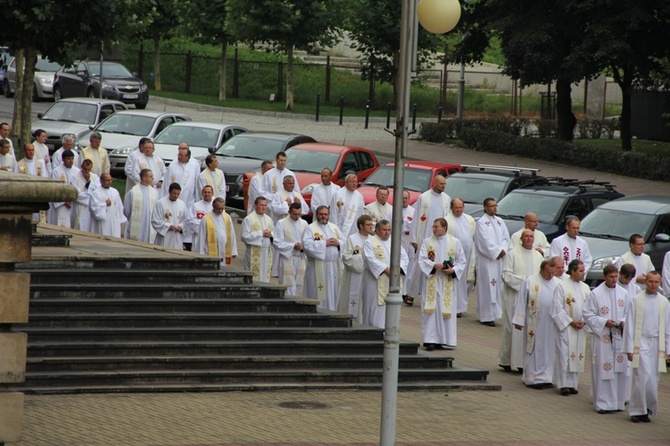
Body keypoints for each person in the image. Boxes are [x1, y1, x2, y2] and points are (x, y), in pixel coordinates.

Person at [583, 264, 630, 413]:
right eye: (611, 277)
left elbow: (629, 313)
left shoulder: (624, 293)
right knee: (604, 369)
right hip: (603, 337)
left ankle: (617, 402)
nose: (614, 280)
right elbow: (587, 314)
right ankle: (603, 403)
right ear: (604, 276)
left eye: (616, 276)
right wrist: (604, 322)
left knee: (619, 370)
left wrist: (623, 321)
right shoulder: (596, 294)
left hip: (619, 337)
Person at [624, 271, 670, 423]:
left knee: (653, 378)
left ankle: (648, 407)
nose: (653, 285)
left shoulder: (664, 302)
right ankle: (637, 410)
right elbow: (630, 325)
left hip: (657, 343)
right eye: (650, 281)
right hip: (640, 342)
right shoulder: (636, 300)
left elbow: (668, 328)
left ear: (660, 283)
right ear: (645, 282)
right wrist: (629, 348)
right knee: (641, 377)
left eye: (656, 282)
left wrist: (668, 350)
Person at [498, 229, 543, 373]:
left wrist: (533, 287)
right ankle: (506, 360)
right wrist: (525, 283)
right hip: (514, 296)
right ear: (521, 239)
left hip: (532, 298)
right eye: (526, 236)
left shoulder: (538, 257)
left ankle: (523, 362)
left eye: (531, 236)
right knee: (512, 328)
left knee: (528, 329)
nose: (529, 239)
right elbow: (505, 275)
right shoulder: (512, 254)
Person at [418, 218, 466, 349]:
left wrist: (453, 270)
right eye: (433, 227)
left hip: (447, 281)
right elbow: (422, 259)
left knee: (445, 309)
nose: (433, 229)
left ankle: (444, 339)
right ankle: (429, 339)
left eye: (436, 227)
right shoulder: (427, 242)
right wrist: (434, 265)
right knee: (431, 310)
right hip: (432, 280)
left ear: (444, 228)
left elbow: (462, 261)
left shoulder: (455, 242)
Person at [513, 259, 560, 388]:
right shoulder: (530, 281)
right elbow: (521, 301)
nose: (550, 275)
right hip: (534, 322)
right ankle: (532, 377)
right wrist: (519, 319)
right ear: (541, 270)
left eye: (553, 273)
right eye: (548, 273)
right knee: (534, 349)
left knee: (550, 350)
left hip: (551, 323)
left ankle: (548, 377)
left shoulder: (558, 284)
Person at [406, 175, 451, 307]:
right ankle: (411, 293)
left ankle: (436, 294)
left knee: (437, 262)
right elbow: (416, 218)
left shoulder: (446, 199)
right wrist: (414, 238)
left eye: (444, 184)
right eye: (441, 183)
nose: (443, 186)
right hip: (424, 235)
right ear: (434, 183)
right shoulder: (423, 197)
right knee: (419, 264)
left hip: (440, 235)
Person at [552, 259, 590, 396]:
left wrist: (585, 321)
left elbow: (590, 308)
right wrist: (570, 321)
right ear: (573, 271)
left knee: (577, 355)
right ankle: (563, 384)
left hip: (580, 328)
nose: (583, 273)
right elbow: (556, 309)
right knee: (564, 354)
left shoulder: (585, 288)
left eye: (583, 270)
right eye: (580, 271)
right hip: (567, 328)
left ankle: (573, 383)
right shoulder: (562, 287)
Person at [361, 219, 408, 329]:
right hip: (375, 282)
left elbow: (404, 257)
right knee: (374, 308)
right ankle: (374, 332)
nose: (387, 232)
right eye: (384, 230)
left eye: (389, 230)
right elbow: (369, 259)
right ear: (377, 230)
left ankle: (389, 332)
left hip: (392, 280)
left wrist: (398, 270)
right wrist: (385, 270)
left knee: (390, 308)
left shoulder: (394, 243)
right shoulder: (369, 242)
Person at [475, 198, 510, 327]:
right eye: (491, 206)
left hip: (499, 260)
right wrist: (495, 251)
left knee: (497, 287)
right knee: (487, 287)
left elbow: (506, 237)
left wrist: (503, 250)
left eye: (496, 205)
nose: (495, 208)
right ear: (485, 207)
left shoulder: (500, 221)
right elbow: (483, 241)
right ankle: (485, 315)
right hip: (487, 260)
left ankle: (495, 314)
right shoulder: (481, 223)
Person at [303, 205, 344, 311]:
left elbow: (345, 241)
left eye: (325, 214)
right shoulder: (310, 228)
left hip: (333, 266)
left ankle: (332, 312)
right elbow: (306, 246)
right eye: (321, 214)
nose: (323, 216)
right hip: (318, 267)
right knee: (318, 292)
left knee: (332, 291)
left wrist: (338, 242)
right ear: (317, 215)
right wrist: (324, 243)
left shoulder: (334, 227)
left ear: (329, 215)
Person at [338, 215, 375, 323]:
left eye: (371, 224)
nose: (371, 227)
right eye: (368, 225)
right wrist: (364, 259)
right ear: (361, 226)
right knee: (353, 301)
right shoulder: (352, 239)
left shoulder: (373, 240)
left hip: (368, 276)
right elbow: (346, 257)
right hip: (354, 276)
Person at [163, 144, 200, 249]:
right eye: (178, 154)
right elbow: (166, 183)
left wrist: (197, 201)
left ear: (188, 156)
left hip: (189, 199)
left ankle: (187, 243)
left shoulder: (194, 165)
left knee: (187, 220)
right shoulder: (172, 165)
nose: (179, 157)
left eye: (182, 155)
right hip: (174, 198)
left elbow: (196, 183)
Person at [446, 197, 476, 316]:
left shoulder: (469, 219)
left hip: (468, 254)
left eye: (460, 207)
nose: (459, 210)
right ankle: (454, 306)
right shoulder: (447, 220)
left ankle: (461, 306)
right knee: (455, 279)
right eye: (456, 207)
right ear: (451, 208)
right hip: (454, 255)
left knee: (464, 280)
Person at [273, 202, 308, 296]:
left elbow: (308, 241)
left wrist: (302, 247)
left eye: (299, 214)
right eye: (295, 214)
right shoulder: (281, 223)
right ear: (289, 212)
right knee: (287, 286)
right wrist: (293, 246)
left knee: (298, 285)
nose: (297, 217)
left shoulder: (304, 223)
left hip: (300, 258)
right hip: (287, 258)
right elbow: (277, 242)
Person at [194, 197, 237, 265]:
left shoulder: (227, 217)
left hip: (224, 249)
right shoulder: (206, 218)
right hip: (210, 250)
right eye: (218, 208)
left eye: (222, 208)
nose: (220, 210)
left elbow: (232, 234)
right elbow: (202, 237)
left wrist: (233, 251)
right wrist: (201, 254)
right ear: (213, 207)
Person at [241, 197, 274, 282]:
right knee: (253, 278)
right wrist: (261, 233)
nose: (264, 207)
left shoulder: (269, 219)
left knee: (264, 277)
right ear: (255, 206)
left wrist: (271, 234)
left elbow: (274, 233)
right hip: (254, 252)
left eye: (265, 205)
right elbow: (244, 236)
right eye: (261, 205)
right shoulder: (248, 219)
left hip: (266, 253)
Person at [124, 168, 158, 243]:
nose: (153, 178)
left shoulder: (154, 192)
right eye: (150, 176)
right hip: (137, 222)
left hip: (149, 223)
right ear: (144, 178)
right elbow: (127, 210)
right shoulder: (133, 192)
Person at [48, 150, 80, 227]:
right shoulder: (56, 171)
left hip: (74, 203)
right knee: (62, 224)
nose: (71, 161)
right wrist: (64, 201)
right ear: (63, 159)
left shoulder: (77, 171)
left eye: (72, 158)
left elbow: (79, 187)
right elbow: (55, 188)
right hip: (62, 203)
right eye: (68, 159)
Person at [151, 182, 188, 249]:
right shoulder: (160, 203)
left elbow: (187, 220)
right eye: (174, 193)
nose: (176, 195)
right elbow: (155, 220)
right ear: (169, 191)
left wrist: (181, 227)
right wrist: (167, 226)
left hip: (177, 237)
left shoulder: (182, 204)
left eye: (178, 194)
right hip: (164, 237)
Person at [89, 173, 126, 237]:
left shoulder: (115, 191)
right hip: (104, 222)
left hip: (114, 220)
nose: (109, 182)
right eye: (107, 180)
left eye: (110, 180)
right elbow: (93, 208)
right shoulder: (96, 193)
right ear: (101, 181)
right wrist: (104, 204)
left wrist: (120, 219)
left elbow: (119, 206)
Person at [72, 159, 101, 232]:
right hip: (79, 206)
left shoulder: (95, 177)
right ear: (81, 166)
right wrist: (90, 196)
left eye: (89, 169)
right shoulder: (74, 177)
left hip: (90, 207)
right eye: (85, 169)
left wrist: (89, 181)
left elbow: (98, 192)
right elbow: (77, 194)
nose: (87, 171)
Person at [401, 190, 416, 300]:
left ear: (409, 199)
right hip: (397, 242)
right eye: (402, 198)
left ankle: (405, 291)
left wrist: (404, 221)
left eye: (406, 198)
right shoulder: (393, 210)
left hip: (409, 242)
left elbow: (414, 227)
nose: (404, 200)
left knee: (409, 266)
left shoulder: (413, 211)